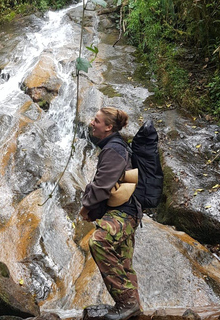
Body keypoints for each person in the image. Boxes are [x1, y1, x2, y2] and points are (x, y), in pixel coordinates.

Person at [79, 107, 142, 320]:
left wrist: (86, 208)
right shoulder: (116, 147)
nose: (91, 123)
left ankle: (127, 303)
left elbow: (101, 186)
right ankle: (134, 310)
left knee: (98, 241)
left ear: (108, 127)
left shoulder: (114, 150)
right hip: (129, 212)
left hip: (123, 213)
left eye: (96, 121)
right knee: (124, 263)